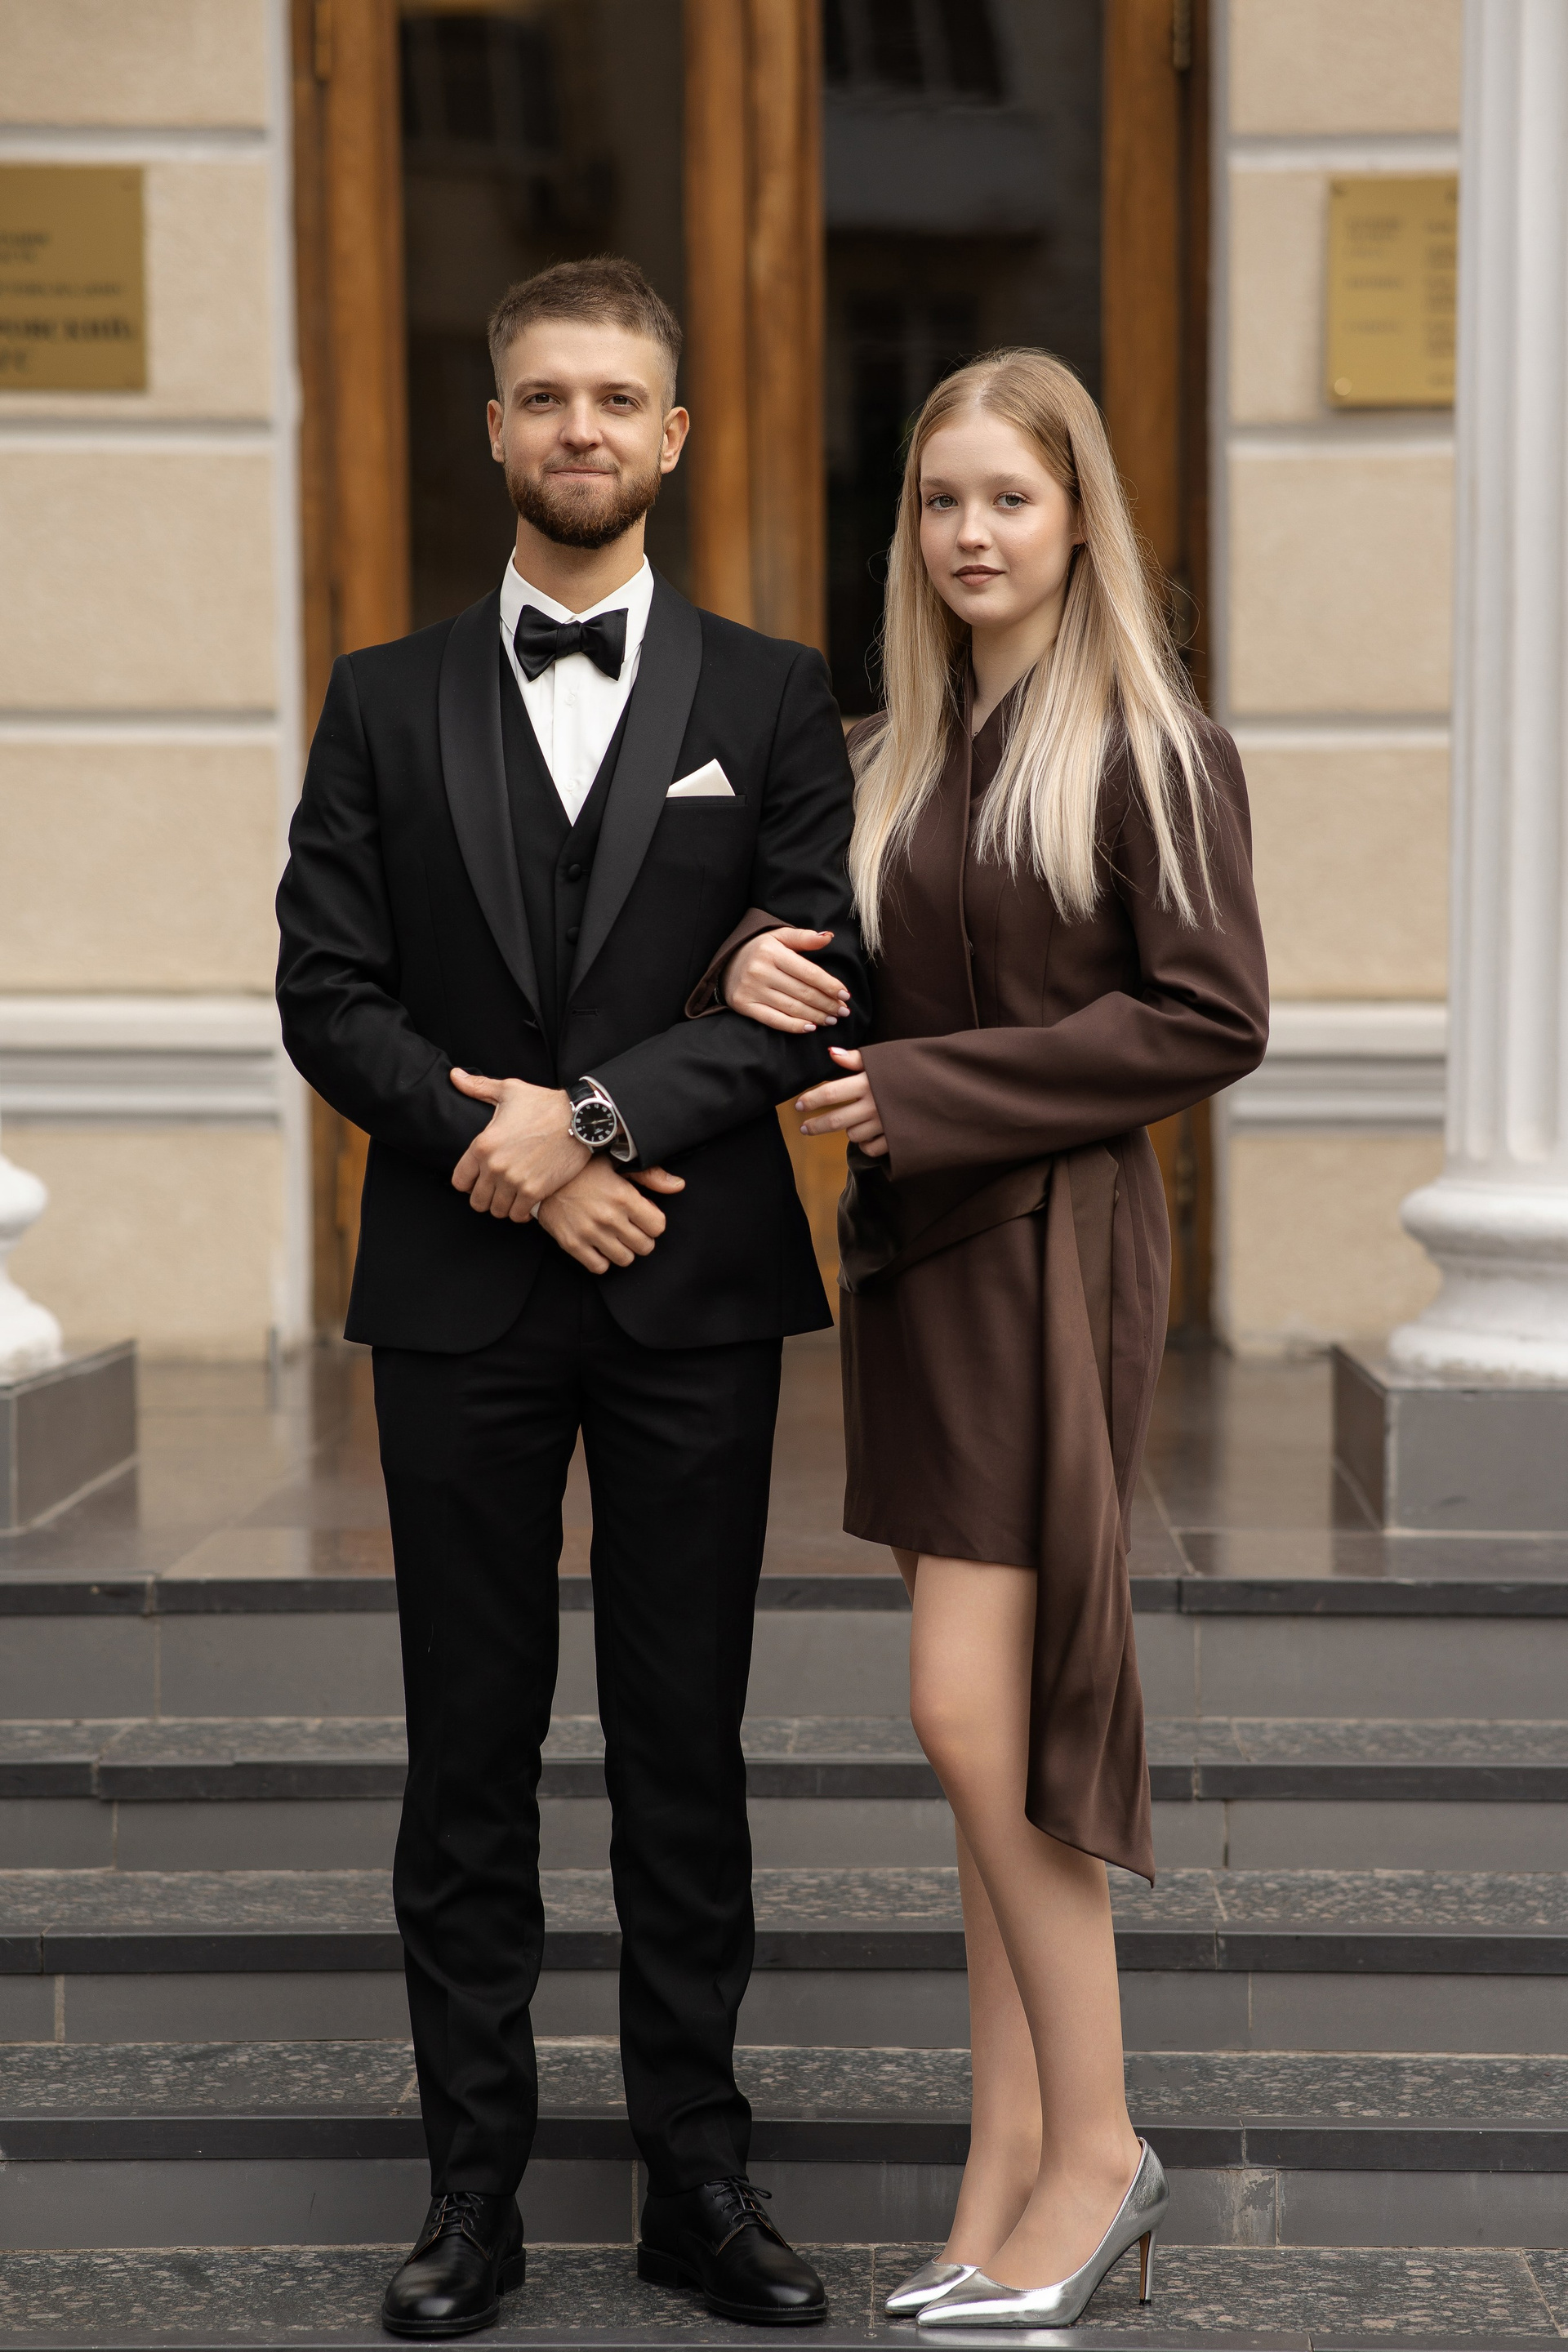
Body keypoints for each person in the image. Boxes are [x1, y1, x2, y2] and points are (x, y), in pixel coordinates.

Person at [276, 256, 866, 2338]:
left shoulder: (774, 697)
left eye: (618, 398)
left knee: (683, 1741)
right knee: (469, 1748)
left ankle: (699, 2182)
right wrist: (498, 1145)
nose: (582, 429)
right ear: (497, 428)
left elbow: (810, 986)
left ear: (674, 436)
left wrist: (593, 1122)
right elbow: (326, 991)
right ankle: (474, 2196)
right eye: (546, 396)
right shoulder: (380, 695)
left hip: (693, 1285)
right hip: (460, 1289)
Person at [719, 349, 1268, 2330]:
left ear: (1077, 519)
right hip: (921, 1265)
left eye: (1009, 500)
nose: (970, 533)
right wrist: (750, 963)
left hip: (1050, 1249)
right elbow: (843, 973)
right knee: (986, 1753)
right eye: (941, 501)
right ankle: (1002, 2174)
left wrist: (931, 1093)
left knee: (975, 1719)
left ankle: (1102, 2155)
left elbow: (1212, 1015)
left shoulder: (1151, 749)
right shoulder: (891, 753)